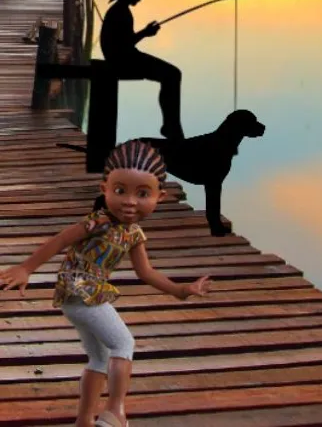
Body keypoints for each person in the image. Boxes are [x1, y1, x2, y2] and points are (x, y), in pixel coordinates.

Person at [0, 139, 212, 427]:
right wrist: (27, 267)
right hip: (81, 291)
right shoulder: (97, 222)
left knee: (99, 357)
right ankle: (115, 411)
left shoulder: (133, 234)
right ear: (105, 189)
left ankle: (85, 419)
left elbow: (146, 272)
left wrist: (181, 290)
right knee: (124, 343)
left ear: (159, 197)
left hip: (80, 298)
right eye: (120, 191)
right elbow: (62, 239)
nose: (129, 202)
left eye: (142, 194)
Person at [100, 0, 185, 141]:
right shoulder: (119, 12)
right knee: (172, 74)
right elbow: (123, 44)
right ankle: (171, 127)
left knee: (171, 74)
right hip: (122, 62)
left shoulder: (121, 10)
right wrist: (145, 33)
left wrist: (144, 33)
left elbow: (124, 42)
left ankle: (170, 126)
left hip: (125, 57)